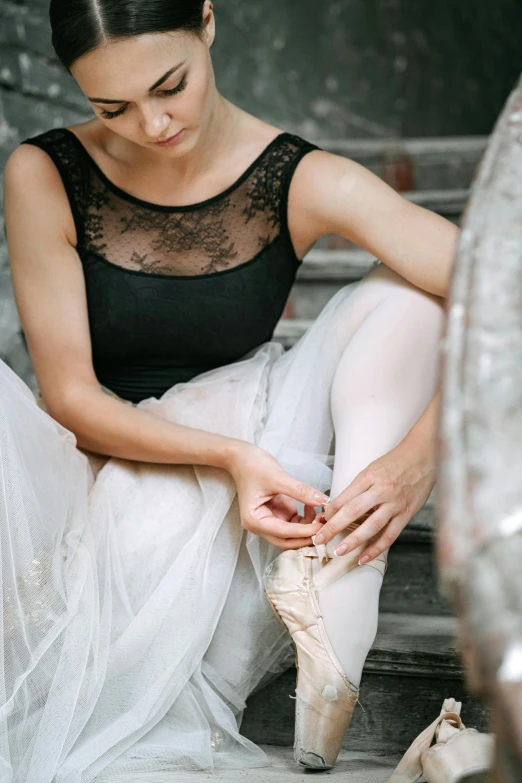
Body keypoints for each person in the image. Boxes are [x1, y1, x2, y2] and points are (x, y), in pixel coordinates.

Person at [1, 0, 457, 780]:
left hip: (259, 443)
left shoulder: (301, 176)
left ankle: (340, 601)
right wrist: (230, 457)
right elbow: (71, 396)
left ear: (207, 21)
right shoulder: (42, 171)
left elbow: (502, 285)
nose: (151, 124)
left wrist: (423, 452)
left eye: (169, 85)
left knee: (412, 298)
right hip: (110, 474)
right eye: (111, 106)